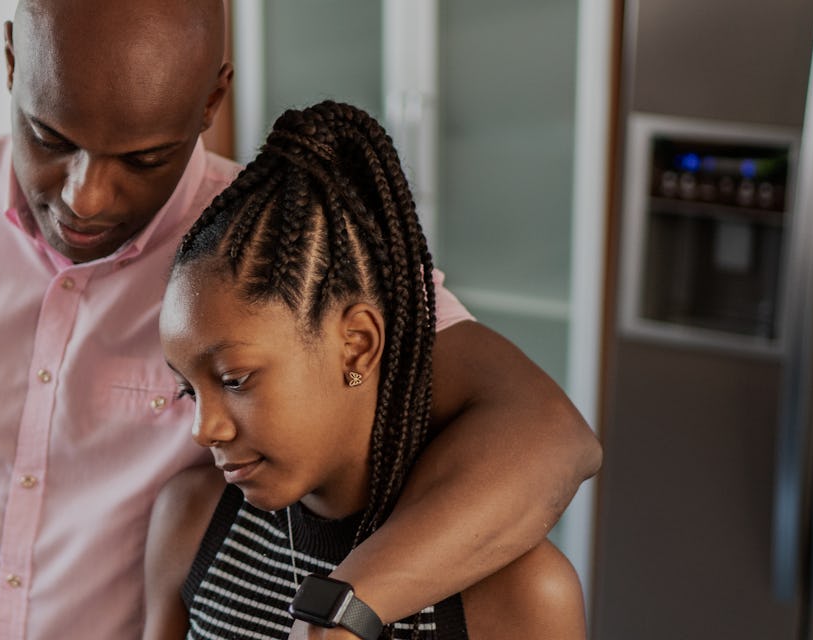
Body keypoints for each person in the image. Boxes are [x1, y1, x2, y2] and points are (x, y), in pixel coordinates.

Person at [0, 1, 601, 638]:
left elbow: (549, 435)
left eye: (140, 158)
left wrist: (346, 608)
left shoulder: (265, 256)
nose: (84, 197)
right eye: (49, 135)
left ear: (212, 99)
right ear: (9, 60)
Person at [145, 101, 585, 640]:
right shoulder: (191, 524)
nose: (203, 428)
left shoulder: (520, 596)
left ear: (356, 345)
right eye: (189, 390)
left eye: (235, 379)